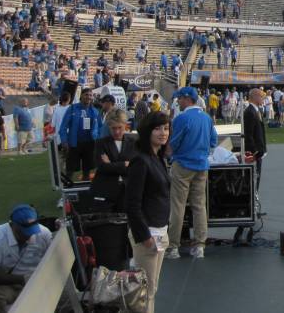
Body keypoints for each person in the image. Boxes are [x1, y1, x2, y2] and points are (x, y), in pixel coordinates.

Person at [125, 112, 171, 313]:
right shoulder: (141, 161)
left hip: (160, 230)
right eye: (158, 128)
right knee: (145, 292)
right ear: (147, 131)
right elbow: (132, 204)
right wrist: (145, 237)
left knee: (152, 288)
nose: (163, 133)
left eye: (166, 128)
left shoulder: (158, 157)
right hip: (148, 233)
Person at [166, 87, 218, 260]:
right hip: (201, 165)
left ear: (187, 99)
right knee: (199, 206)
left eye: (179, 99)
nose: (178, 102)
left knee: (178, 206)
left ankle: (173, 246)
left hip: (183, 164)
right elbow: (213, 141)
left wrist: (168, 155)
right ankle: (199, 245)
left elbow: (173, 143)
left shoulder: (181, 118)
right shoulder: (207, 118)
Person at [0, 204, 54, 313]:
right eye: (25, 230)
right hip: (9, 284)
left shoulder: (44, 233)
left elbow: (53, 263)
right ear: (13, 224)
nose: (29, 235)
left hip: (41, 283)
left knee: (72, 297)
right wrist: (23, 279)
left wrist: (41, 279)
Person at [91, 109, 135, 211]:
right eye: (113, 128)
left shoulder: (133, 143)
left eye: (120, 127)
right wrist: (124, 164)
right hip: (105, 191)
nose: (117, 131)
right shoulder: (101, 143)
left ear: (125, 125)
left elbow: (135, 167)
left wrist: (111, 164)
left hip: (126, 191)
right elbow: (101, 166)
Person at [58, 89, 104, 181]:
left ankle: (85, 192)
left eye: (91, 95)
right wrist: (64, 141)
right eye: (86, 94)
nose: (89, 97)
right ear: (81, 96)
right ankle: (67, 191)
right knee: (70, 170)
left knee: (87, 170)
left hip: (90, 144)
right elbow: (63, 127)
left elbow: (100, 127)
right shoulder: (72, 109)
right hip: (74, 144)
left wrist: (98, 140)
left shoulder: (95, 111)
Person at [243, 88, 268, 190]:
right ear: (255, 97)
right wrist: (255, 152)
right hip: (255, 153)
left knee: (257, 178)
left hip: (259, 151)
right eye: (262, 97)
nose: (263, 99)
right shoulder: (250, 112)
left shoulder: (256, 110)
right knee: (254, 178)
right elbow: (248, 134)